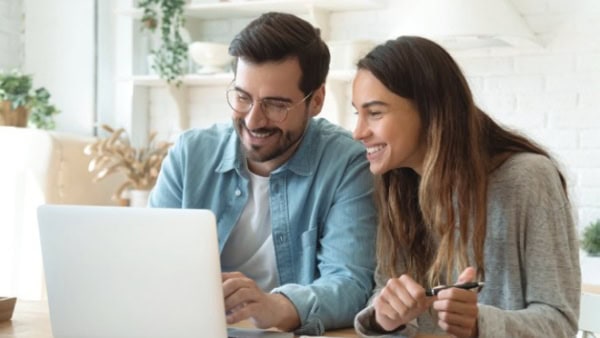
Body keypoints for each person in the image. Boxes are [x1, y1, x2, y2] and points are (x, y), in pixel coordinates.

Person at [148, 12, 377, 335]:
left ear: (317, 101)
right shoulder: (189, 155)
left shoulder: (346, 164)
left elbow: (351, 284)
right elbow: (148, 262)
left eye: (276, 104)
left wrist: (277, 307)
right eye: (243, 97)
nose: (254, 121)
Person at [351, 36, 581, 337]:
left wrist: (479, 325)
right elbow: (387, 291)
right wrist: (385, 318)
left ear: (430, 110)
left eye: (375, 113)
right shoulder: (398, 186)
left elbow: (560, 322)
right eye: (358, 113)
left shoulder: (528, 179)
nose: (357, 132)